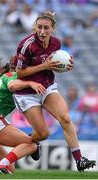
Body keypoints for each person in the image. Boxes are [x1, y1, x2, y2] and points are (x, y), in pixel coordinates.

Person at [12, 11, 96, 172]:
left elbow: (54, 64)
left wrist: (65, 66)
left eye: (46, 28)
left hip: (47, 87)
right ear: (35, 27)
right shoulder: (26, 45)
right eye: (39, 28)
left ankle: (79, 160)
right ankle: (31, 141)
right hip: (26, 92)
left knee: (65, 118)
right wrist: (43, 67)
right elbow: (20, 73)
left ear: (53, 28)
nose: (42, 32)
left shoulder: (56, 44)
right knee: (44, 134)